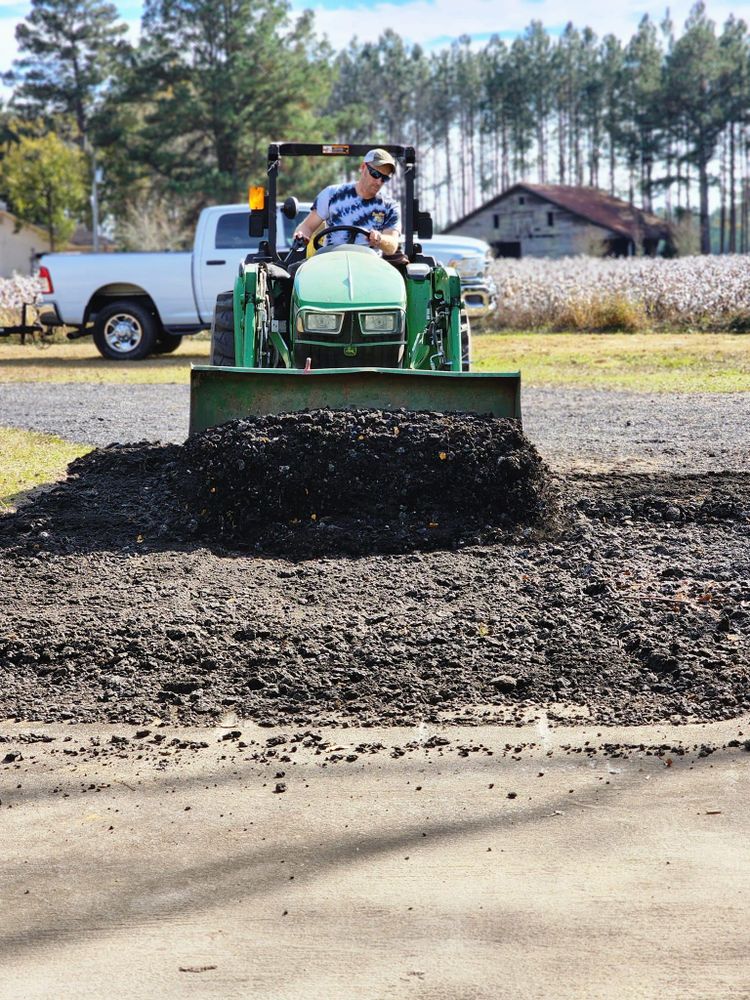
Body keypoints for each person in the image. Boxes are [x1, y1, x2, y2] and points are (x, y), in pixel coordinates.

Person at [293, 148, 401, 256]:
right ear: (363, 167)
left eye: (385, 178)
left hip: (368, 265)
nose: (379, 182)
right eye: (375, 174)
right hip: (331, 261)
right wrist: (301, 235)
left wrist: (380, 239)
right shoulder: (332, 194)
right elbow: (307, 227)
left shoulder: (389, 206)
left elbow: (392, 244)